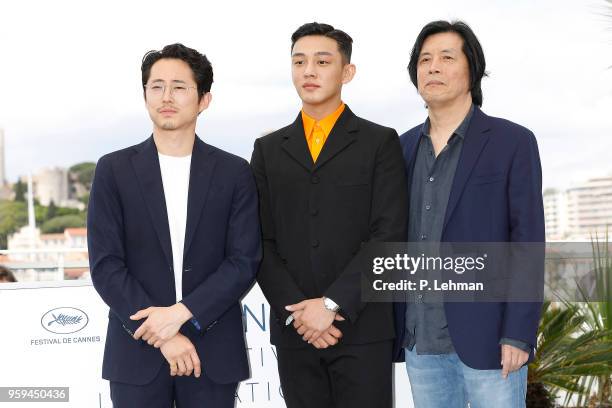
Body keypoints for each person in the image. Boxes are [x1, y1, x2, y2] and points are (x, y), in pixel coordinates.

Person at [87, 43, 261, 408]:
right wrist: (163, 335)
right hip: (136, 354)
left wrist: (182, 315)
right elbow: (106, 265)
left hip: (211, 352)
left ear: (204, 100)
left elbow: (244, 261)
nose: (167, 96)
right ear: (145, 94)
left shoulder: (234, 172)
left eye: (180, 87)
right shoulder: (113, 170)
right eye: (157, 86)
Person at [251, 22, 407, 408]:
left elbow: (388, 235)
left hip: (362, 327)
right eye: (299, 62)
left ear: (347, 72)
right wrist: (300, 313)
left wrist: (332, 304)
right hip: (295, 331)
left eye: (322, 61)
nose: (309, 71)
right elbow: (258, 240)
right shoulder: (268, 149)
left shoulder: (379, 141)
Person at [393, 20, 545, 408]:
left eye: (446, 57)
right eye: (424, 60)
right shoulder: (400, 149)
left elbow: (527, 243)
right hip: (421, 342)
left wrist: (518, 333)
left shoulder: (512, 142)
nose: (433, 67)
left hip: (491, 342)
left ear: (472, 69)